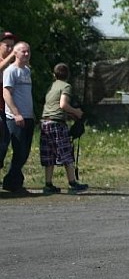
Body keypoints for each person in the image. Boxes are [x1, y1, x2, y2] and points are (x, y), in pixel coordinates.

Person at [40, 63, 88, 194]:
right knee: (66, 152)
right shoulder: (66, 86)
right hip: (57, 124)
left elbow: (54, 106)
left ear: (54, 75)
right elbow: (62, 104)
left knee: (49, 154)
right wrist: (76, 112)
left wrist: (69, 114)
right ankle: (72, 182)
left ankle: (48, 184)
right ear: (68, 75)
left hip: (45, 122)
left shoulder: (52, 86)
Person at [2, 41, 35, 193]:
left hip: (28, 117)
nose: (26, 54)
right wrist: (16, 113)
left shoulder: (27, 71)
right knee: (19, 150)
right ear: (15, 53)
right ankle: (11, 182)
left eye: (28, 51)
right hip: (15, 118)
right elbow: (6, 93)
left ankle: (13, 180)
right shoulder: (11, 71)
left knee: (25, 152)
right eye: (23, 51)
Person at [0, 31, 17, 170]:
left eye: (13, 46)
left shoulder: (12, 66)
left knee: (5, 142)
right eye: (7, 45)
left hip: (7, 110)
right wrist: (12, 56)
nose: (10, 49)